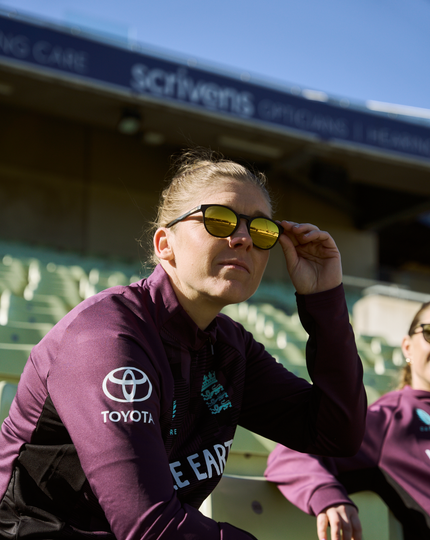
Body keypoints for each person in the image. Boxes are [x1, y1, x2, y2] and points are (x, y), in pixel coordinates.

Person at [0, 148, 366, 540]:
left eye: (261, 231)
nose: (244, 238)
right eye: (220, 220)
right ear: (165, 244)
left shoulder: (230, 347)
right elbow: (150, 524)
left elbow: (335, 432)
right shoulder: (106, 336)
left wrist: (324, 298)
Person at [265, 301, 430, 540]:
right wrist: (328, 495)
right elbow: (292, 453)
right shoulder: (391, 419)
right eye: (429, 332)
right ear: (407, 347)